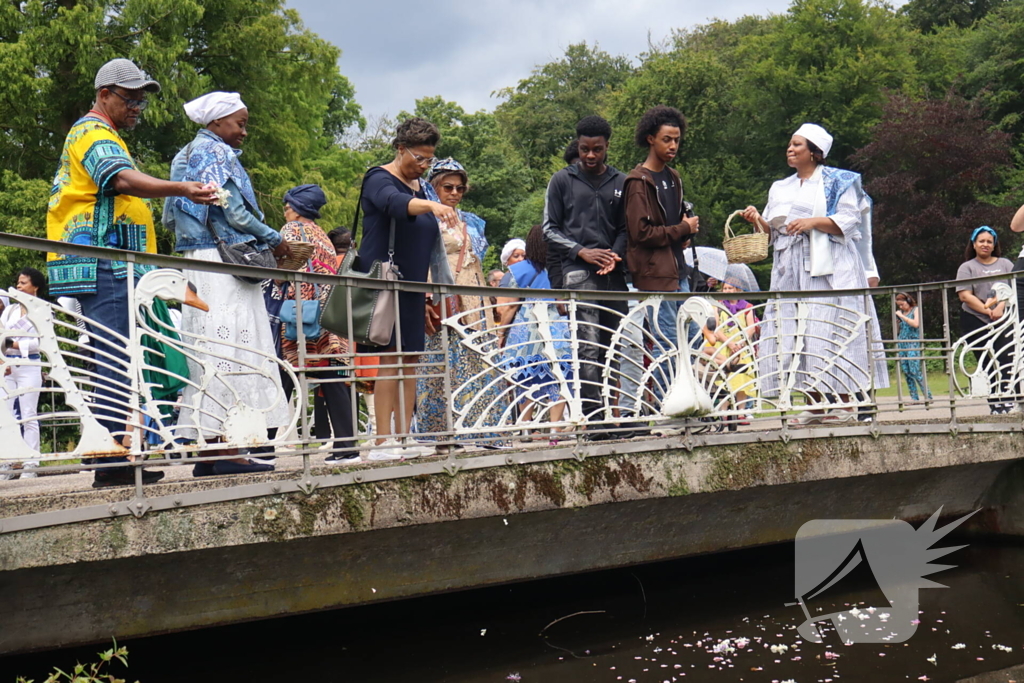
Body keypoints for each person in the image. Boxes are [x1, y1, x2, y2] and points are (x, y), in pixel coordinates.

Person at [47, 58, 216, 487]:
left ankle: (119, 453)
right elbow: (119, 180)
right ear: (105, 95)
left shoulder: (102, 133)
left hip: (110, 264)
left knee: (120, 356)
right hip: (105, 263)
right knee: (116, 356)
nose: (138, 106)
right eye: (130, 98)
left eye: (141, 99)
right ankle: (112, 461)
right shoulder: (93, 131)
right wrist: (182, 187)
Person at [164, 91, 292, 475]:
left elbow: (173, 216)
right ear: (217, 123)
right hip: (223, 260)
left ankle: (211, 450)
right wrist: (275, 238)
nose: (244, 132)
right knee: (232, 346)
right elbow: (232, 211)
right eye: (240, 123)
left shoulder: (185, 153)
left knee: (207, 346)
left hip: (199, 258)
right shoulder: (215, 152)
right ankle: (230, 449)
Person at [740, 123, 888, 426]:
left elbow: (849, 221)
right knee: (800, 334)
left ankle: (844, 404)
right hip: (791, 268)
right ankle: (815, 404)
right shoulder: (780, 187)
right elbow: (770, 231)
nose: (790, 149)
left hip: (830, 267)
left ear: (814, 152)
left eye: (797, 145)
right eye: (790, 144)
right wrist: (758, 220)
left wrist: (812, 222)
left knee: (832, 330)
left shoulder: (839, 182)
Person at [357, 117, 458, 460]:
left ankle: (404, 436)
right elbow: (393, 204)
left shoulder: (422, 186)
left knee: (410, 359)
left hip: (413, 285)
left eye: (429, 159)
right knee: (391, 359)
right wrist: (431, 205)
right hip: (386, 283)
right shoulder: (378, 178)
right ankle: (383, 440)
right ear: (400, 149)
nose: (424, 166)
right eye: (419, 158)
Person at [542, 115, 629, 422]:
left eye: (597, 149)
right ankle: (594, 419)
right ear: (577, 146)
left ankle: (612, 416)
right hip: (578, 274)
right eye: (584, 149)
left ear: (607, 147)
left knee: (613, 347)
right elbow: (549, 229)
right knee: (587, 347)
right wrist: (583, 252)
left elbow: (625, 228)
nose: (590, 156)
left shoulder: (621, 181)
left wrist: (614, 255)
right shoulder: (561, 180)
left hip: (614, 276)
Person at [416, 158, 507, 446]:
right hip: (443, 294)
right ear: (434, 187)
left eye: (460, 187)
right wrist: (426, 297)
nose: (454, 192)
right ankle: (440, 433)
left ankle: (485, 429)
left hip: (475, 296)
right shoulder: (425, 220)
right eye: (448, 187)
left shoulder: (472, 221)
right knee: (441, 362)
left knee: (480, 360)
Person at [274, 185, 358, 463]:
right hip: (328, 307)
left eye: (287, 206)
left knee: (285, 371)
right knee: (329, 373)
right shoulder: (322, 235)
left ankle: (262, 446)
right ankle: (347, 445)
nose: (284, 211)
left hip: (304, 306)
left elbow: (285, 269)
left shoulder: (292, 230)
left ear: (297, 208)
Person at [623, 106, 701, 396]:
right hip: (655, 276)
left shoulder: (674, 177)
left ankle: (690, 402)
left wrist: (684, 234)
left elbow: (674, 224)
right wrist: (682, 230)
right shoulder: (637, 182)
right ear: (650, 139)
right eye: (667, 139)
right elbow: (640, 233)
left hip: (678, 271)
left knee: (692, 339)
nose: (673, 146)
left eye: (677, 140)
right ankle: (673, 407)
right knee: (668, 343)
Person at [495, 224, 571, 441]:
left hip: (527, 326)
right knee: (559, 375)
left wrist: (501, 333)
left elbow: (509, 307)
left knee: (525, 374)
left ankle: (526, 426)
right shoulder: (559, 268)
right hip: (556, 325)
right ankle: (555, 428)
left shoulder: (519, 270)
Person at [956, 226, 1015, 414]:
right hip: (975, 319)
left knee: (1006, 361)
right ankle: (994, 404)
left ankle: (1007, 400)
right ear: (974, 244)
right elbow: (965, 295)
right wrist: (986, 310)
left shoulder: (1006, 264)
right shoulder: (967, 267)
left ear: (994, 244)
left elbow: (1013, 289)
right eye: (981, 241)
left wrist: (999, 308)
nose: (985, 244)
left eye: (989, 241)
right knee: (986, 363)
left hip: (1003, 319)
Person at [0, 268, 46, 479]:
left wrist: (14, 344)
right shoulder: (9, 311)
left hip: (29, 365)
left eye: (24, 283)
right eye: (18, 283)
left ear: (35, 286)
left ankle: (31, 462)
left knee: (28, 415)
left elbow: (42, 343)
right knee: (6, 416)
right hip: (8, 365)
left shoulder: (43, 309)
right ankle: (7, 462)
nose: (19, 286)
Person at [894, 292, 931, 402]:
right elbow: (897, 331)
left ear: (908, 301)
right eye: (899, 305)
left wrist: (902, 317)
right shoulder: (901, 313)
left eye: (902, 304)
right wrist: (898, 321)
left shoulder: (915, 310)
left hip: (913, 342)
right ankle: (914, 397)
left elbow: (916, 324)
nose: (901, 307)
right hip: (902, 342)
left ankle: (927, 395)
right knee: (906, 371)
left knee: (914, 369)